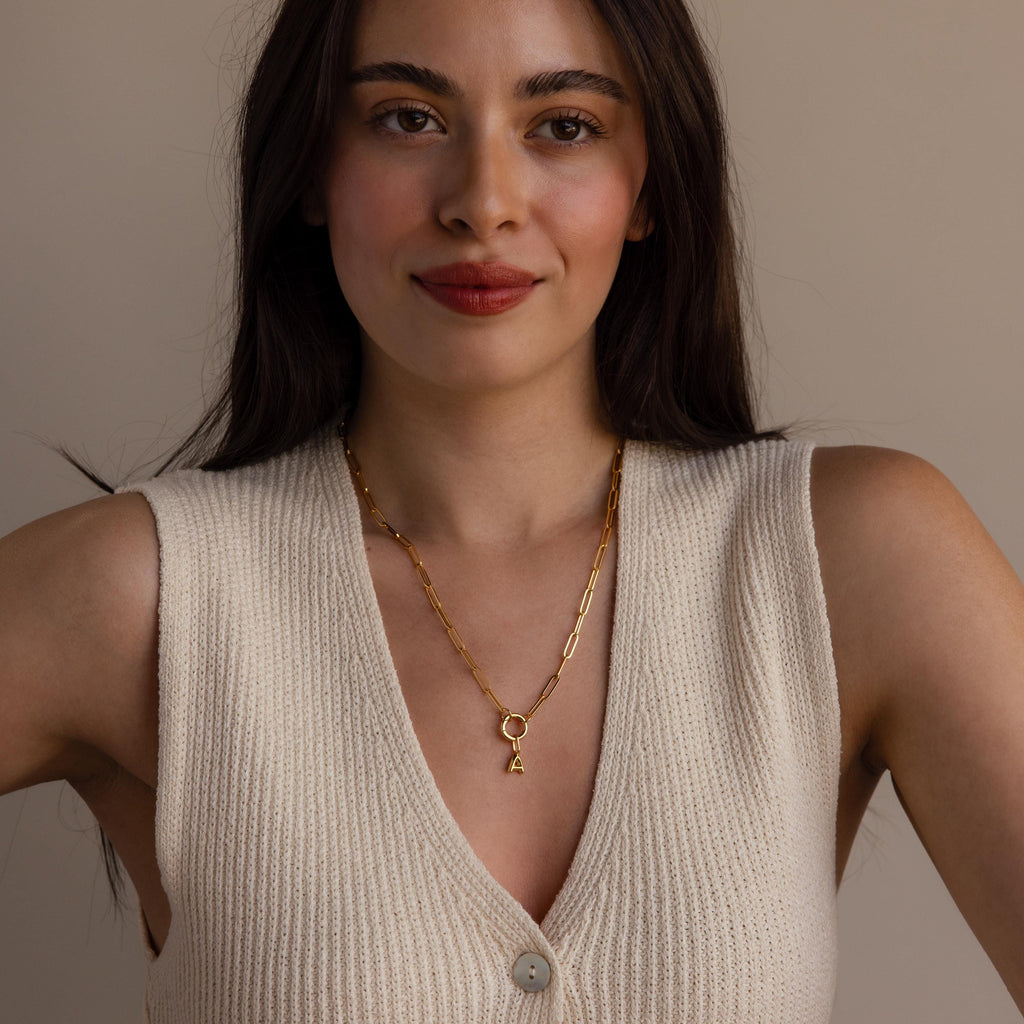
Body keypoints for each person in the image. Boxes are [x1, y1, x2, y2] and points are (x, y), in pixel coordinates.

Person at [1, 0, 1022, 1019]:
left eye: (564, 125)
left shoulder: (851, 558)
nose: (482, 202)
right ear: (312, 167)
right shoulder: (145, 598)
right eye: (407, 118)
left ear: (647, 186)